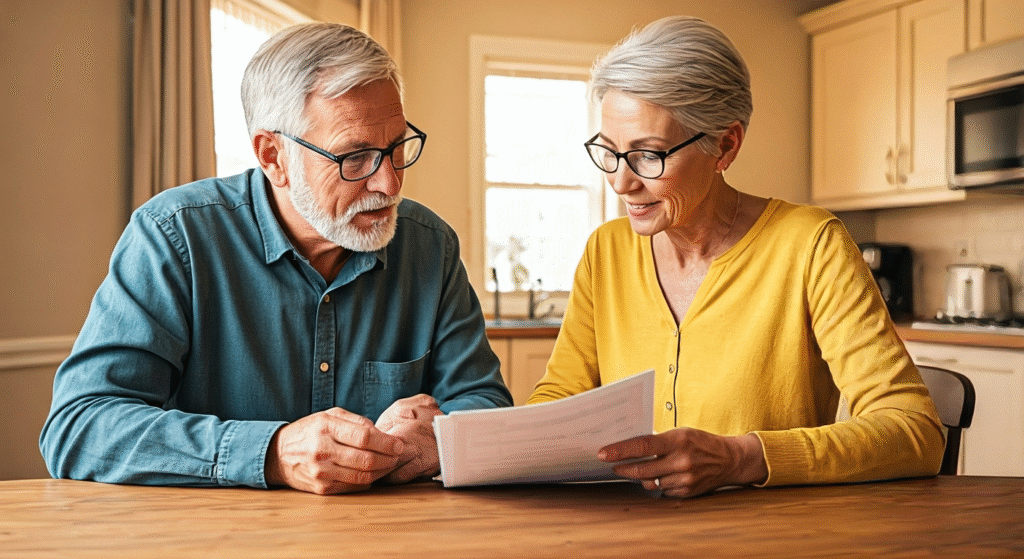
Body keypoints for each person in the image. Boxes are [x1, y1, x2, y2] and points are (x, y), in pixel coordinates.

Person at [40, 22, 512, 495]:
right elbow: (79, 427)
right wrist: (272, 452)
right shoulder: (174, 235)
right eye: (355, 156)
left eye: (396, 148)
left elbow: (485, 401)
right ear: (273, 156)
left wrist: (438, 438)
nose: (389, 184)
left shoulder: (431, 246)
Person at [528, 16, 945, 498]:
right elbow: (558, 401)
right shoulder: (607, 251)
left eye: (649, 156)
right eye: (609, 151)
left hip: (768, 539)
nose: (621, 182)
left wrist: (740, 458)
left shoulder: (810, 246)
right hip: (630, 534)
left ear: (725, 145)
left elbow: (915, 432)